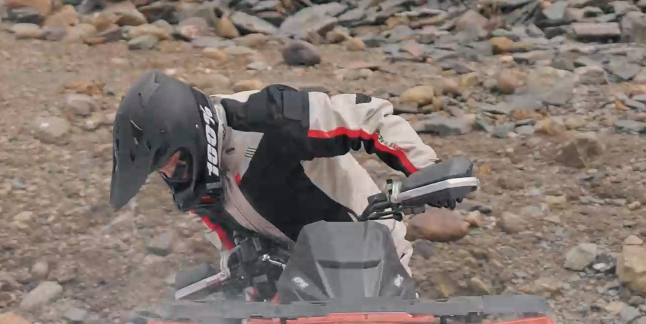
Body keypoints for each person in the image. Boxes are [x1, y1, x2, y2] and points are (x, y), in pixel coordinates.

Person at [108, 70, 440, 275]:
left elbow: (366, 118)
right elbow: (226, 239)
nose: (172, 173)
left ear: (191, 134)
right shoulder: (196, 182)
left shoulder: (270, 118)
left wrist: (423, 169)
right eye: (162, 169)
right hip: (296, 286)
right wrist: (235, 266)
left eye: (172, 161)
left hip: (372, 261)